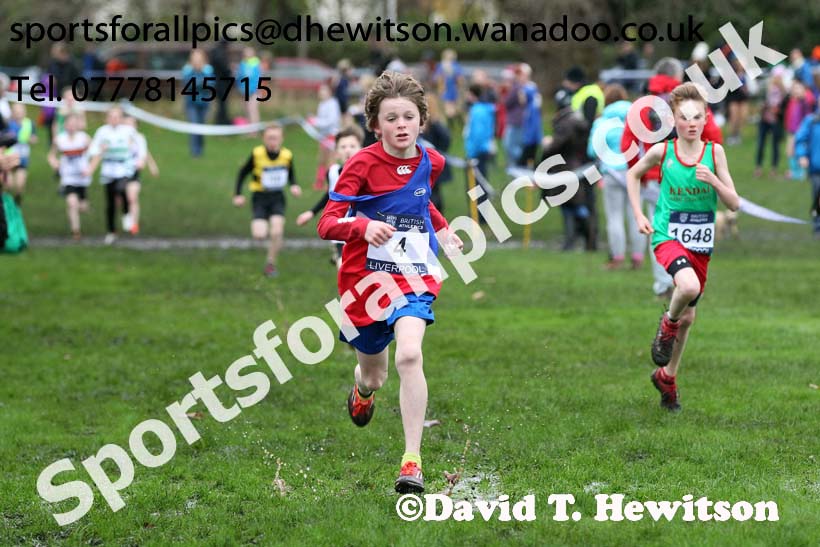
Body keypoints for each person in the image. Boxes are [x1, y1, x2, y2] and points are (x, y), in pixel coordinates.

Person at [316, 71, 463, 493]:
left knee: (410, 356)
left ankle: (412, 461)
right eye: (391, 118)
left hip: (414, 276)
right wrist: (362, 228)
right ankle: (362, 391)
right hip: (365, 285)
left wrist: (445, 229)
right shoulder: (360, 164)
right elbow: (327, 223)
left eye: (409, 117)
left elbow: (420, 203)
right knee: (375, 375)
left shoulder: (430, 161)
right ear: (375, 125)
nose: (401, 125)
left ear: (422, 121)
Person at [626, 82, 740, 411]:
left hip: (700, 244)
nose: (690, 123)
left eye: (697, 117)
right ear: (674, 120)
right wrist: (637, 215)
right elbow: (634, 175)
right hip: (667, 236)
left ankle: (667, 376)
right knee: (686, 287)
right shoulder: (663, 152)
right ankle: (666, 324)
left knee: (690, 316)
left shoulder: (714, 153)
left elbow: (734, 204)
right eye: (683, 117)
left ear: (706, 120)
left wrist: (715, 181)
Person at [621, 57, 723, 300]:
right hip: (687, 177)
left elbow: (628, 143)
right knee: (688, 226)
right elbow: (712, 134)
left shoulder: (642, 105)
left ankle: (663, 285)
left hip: (653, 177)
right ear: (678, 77)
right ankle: (684, 279)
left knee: (658, 230)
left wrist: (640, 172)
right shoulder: (690, 103)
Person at [233, 123, 302, 277]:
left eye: (276, 138)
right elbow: (242, 173)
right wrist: (238, 194)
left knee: (277, 231)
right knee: (259, 234)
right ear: (264, 139)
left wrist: (294, 185)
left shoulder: (287, 155)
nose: (273, 141)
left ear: (281, 139)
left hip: (277, 197)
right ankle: (274, 244)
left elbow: (291, 173)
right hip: (260, 197)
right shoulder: (257, 154)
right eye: (270, 138)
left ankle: (270, 263)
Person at [589, 84, 645, 269]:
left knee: (614, 217)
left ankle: (617, 257)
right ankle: (638, 257)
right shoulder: (636, 118)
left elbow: (592, 150)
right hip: (635, 171)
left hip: (612, 172)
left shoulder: (601, 121)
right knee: (636, 215)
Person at [296, 126, 364, 268]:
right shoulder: (332, 172)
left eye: (352, 146)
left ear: (361, 148)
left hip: (362, 228)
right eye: (343, 147)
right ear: (337, 152)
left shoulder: (368, 172)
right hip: (341, 227)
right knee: (343, 268)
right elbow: (330, 195)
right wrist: (311, 212)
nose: (348, 150)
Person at [541, 88, 594, 251]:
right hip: (576, 165)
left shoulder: (566, 122)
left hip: (564, 167)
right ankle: (587, 238)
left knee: (568, 205)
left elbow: (557, 144)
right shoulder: (577, 119)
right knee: (578, 204)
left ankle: (573, 240)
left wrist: (548, 144)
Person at [84, 105, 139, 245]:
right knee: (110, 203)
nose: (114, 119)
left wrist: (134, 151)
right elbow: (92, 150)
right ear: (107, 118)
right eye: (111, 117)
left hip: (123, 168)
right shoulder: (102, 132)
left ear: (121, 118)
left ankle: (126, 213)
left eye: (117, 117)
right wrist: (100, 149)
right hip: (108, 170)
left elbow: (139, 146)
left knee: (121, 189)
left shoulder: (128, 131)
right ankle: (111, 231)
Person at [48, 113, 91, 239]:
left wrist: (89, 167)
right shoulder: (60, 139)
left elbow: (95, 152)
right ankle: (75, 231)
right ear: (65, 125)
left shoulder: (84, 138)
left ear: (78, 125)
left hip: (82, 178)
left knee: (82, 207)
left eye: (74, 124)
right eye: (69, 124)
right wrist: (55, 163)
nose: (71, 127)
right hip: (68, 177)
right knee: (72, 203)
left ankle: (82, 206)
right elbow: (51, 155)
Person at [120, 116, 159, 235]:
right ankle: (126, 214)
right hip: (120, 172)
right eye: (126, 124)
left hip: (134, 171)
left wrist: (152, 165)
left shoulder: (139, 138)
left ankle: (134, 225)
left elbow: (144, 151)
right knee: (120, 198)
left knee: (133, 197)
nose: (129, 127)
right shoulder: (118, 137)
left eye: (131, 124)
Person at [464, 83, 496, 222]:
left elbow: (477, 134)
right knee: (481, 182)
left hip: (476, 153)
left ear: (472, 94)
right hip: (484, 150)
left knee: (475, 185)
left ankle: (479, 215)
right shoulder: (485, 109)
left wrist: (471, 153)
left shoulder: (476, 111)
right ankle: (482, 214)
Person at [755, 66, 789, 178]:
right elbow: (760, 100)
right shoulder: (766, 86)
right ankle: (758, 167)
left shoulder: (785, 90)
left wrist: (779, 110)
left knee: (775, 145)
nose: (777, 79)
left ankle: (774, 168)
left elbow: (786, 105)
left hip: (776, 120)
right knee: (761, 143)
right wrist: (763, 106)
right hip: (765, 119)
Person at [420, 95, 452, 212]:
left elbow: (446, 139)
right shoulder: (430, 124)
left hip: (432, 163)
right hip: (429, 163)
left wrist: (438, 151)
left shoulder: (435, 124)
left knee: (434, 193)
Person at [794, 101, 820, 236]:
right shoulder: (811, 121)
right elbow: (800, 140)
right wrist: (802, 155)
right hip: (817, 169)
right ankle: (817, 227)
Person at [181, 50, 213, 157]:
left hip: (204, 104)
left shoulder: (208, 70)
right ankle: (194, 152)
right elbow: (187, 85)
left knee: (202, 127)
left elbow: (211, 84)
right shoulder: (187, 71)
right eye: (195, 59)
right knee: (194, 126)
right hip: (191, 104)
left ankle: (200, 150)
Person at [310, 83, 342, 189]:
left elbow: (330, 121)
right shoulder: (322, 104)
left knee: (330, 160)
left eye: (324, 90)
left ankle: (330, 184)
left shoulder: (333, 103)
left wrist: (315, 121)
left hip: (332, 135)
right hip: (323, 136)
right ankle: (319, 182)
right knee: (322, 159)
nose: (321, 92)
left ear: (329, 92)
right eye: (320, 90)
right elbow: (321, 120)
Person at [6, 103, 37, 206]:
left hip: (22, 158)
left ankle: (17, 199)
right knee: (8, 184)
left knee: (20, 184)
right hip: (9, 157)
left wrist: (32, 139)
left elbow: (34, 137)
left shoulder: (29, 123)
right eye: (16, 112)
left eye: (21, 111)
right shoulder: (7, 124)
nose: (19, 114)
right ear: (12, 112)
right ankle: (7, 201)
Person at [236, 47, 262, 132]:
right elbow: (239, 77)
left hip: (254, 91)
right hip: (244, 91)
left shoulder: (256, 64)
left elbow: (258, 77)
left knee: (252, 110)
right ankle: (249, 130)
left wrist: (257, 88)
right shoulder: (242, 64)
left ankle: (255, 131)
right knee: (247, 111)